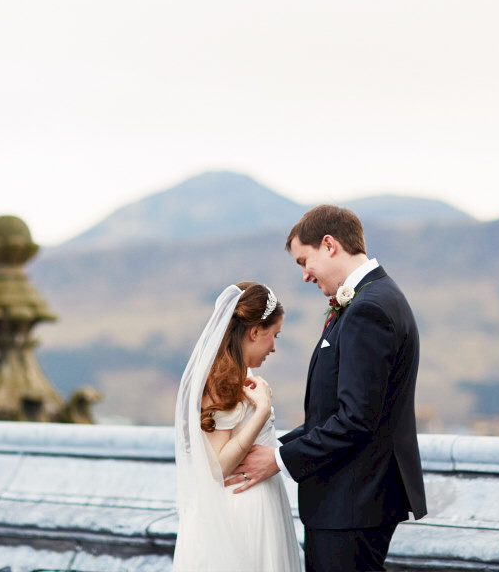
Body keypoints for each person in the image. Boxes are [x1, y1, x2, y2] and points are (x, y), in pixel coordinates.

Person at [230, 205, 427, 571]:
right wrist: (273, 444)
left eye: (305, 261)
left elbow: (355, 420)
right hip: (350, 501)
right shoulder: (371, 299)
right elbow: (335, 412)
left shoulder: (369, 308)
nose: (305, 275)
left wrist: (277, 460)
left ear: (329, 245)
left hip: (352, 504)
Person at [173, 281, 301, 572]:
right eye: (273, 335)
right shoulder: (223, 381)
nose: (274, 347)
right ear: (255, 331)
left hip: (263, 502)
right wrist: (262, 412)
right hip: (241, 512)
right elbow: (218, 466)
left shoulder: (244, 375)